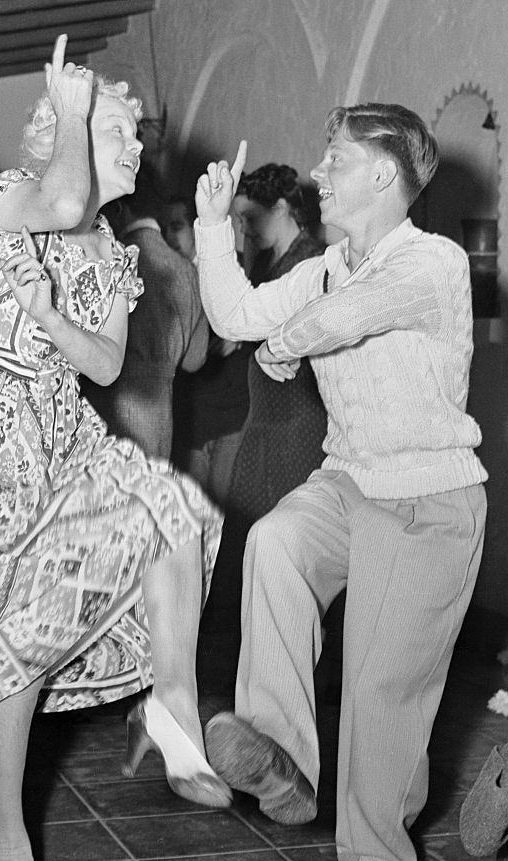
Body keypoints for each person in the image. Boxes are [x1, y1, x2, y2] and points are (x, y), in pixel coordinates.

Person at [0, 36, 227, 861]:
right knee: (17, 658)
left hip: (60, 429)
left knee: (173, 514)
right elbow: (65, 193)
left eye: (125, 132)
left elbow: (105, 361)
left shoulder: (110, 253)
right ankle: (5, 841)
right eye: (116, 131)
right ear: (63, 132)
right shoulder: (9, 198)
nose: (135, 147)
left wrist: (52, 316)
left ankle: (174, 707)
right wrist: (83, 114)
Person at [194, 104, 488, 861]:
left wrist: (287, 347)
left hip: (427, 497)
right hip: (350, 481)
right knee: (278, 542)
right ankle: (281, 757)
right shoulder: (326, 265)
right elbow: (236, 319)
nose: (320, 174)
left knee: (378, 690)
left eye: (336, 159)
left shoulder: (432, 262)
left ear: (385, 174)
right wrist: (214, 232)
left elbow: (347, 316)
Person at [207, 164, 326, 634]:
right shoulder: (266, 260)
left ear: (282, 209)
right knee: (248, 531)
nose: (246, 228)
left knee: (285, 537)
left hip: (298, 416)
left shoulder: (310, 260)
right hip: (265, 416)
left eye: (251, 218)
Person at [81, 163, 208, 457]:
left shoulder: (113, 262)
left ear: (119, 209)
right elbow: (195, 359)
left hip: (112, 407)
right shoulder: (188, 271)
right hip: (162, 415)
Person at [167, 195, 251, 507]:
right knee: (191, 508)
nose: (170, 237)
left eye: (177, 226)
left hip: (232, 411)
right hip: (191, 416)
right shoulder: (168, 275)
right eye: (165, 228)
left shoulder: (234, 265)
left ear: (195, 225)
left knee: (225, 507)